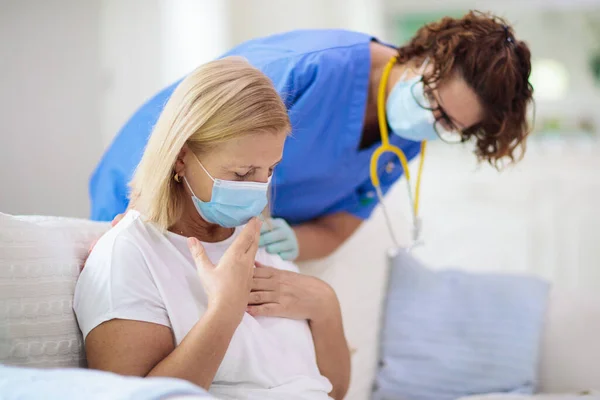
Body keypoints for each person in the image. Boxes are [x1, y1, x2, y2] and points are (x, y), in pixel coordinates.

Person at [90, 11, 534, 261]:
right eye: (432, 99)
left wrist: (296, 241)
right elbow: (188, 137)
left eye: (449, 124)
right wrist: (150, 218)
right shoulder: (310, 67)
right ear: (425, 56)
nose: (430, 121)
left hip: (225, 245)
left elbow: (340, 224)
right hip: (146, 195)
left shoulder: (406, 140)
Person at [74, 57, 350, 400]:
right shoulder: (130, 255)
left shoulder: (260, 243)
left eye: (270, 170)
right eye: (242, 173)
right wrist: (224, 311)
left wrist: (326, 305)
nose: (259, 188)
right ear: (181, 157)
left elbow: (333, 391)